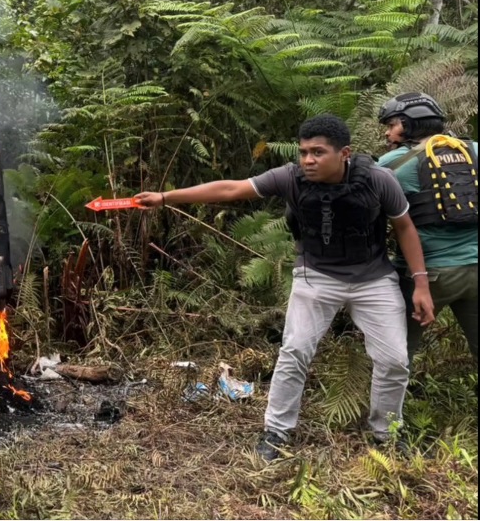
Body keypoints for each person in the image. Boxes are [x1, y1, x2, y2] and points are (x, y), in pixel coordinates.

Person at [135, 114, 434, 461]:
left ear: (345, 153)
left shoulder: (378, 180)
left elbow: (405, 227)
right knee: (294, 352)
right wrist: (165, 197)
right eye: (304, 152)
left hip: (373, 279)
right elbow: (233, 188)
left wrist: (421, 284)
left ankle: (387, 433)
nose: (308, 160)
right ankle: (276, 431)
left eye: (318, 152)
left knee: (395, 360)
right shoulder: (290, 178)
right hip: (316, 276)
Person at [376, 92, 478, 368]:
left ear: (410, 124)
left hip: (427, 276)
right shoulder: (474, 150)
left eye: (391, 125)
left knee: (397, 355)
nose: (387, 133)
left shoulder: (392, 164)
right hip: (475, 267)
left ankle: (388, 412)